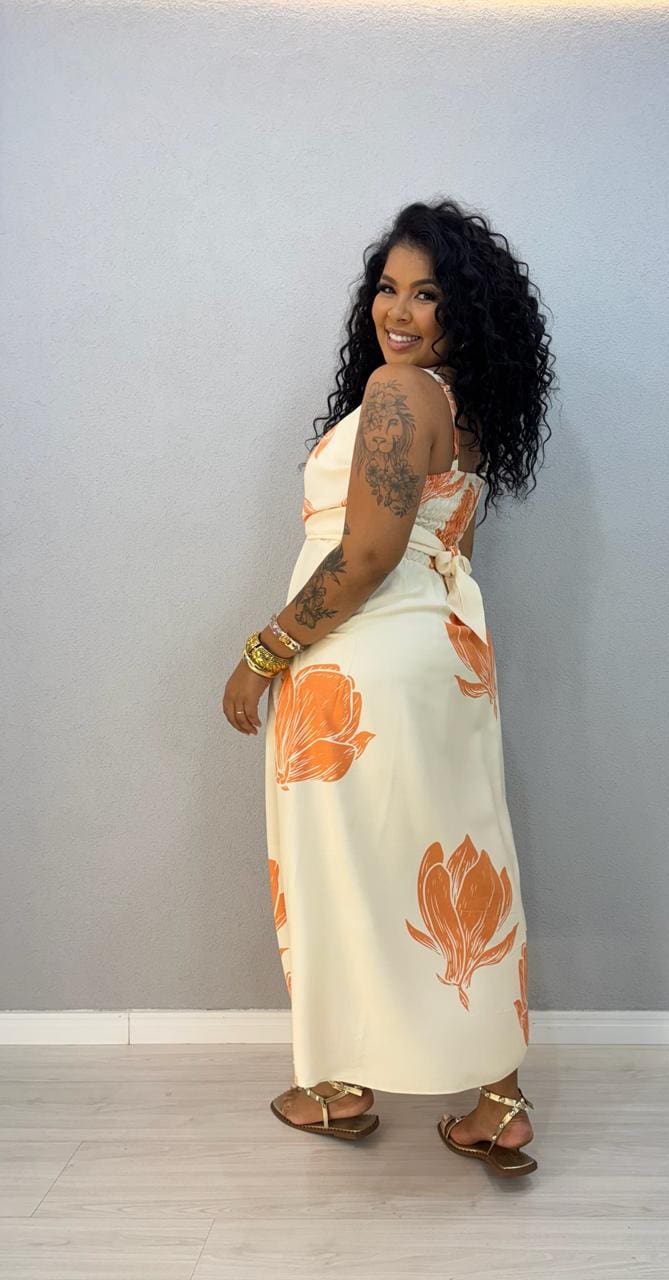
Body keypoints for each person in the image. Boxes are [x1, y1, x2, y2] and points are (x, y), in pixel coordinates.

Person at [221, 199, 555, 1178]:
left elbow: (367, 553)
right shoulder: (465, 410)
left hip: (357, 664)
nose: (398, 312)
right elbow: (445, 549)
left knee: (348, 872)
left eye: (427, 294)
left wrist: (264, 652)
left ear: (464, 310)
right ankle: (498, 1102)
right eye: (388, 288)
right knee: (457, 866)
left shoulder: (401, 390)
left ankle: (338, 1086)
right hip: (441, 660)